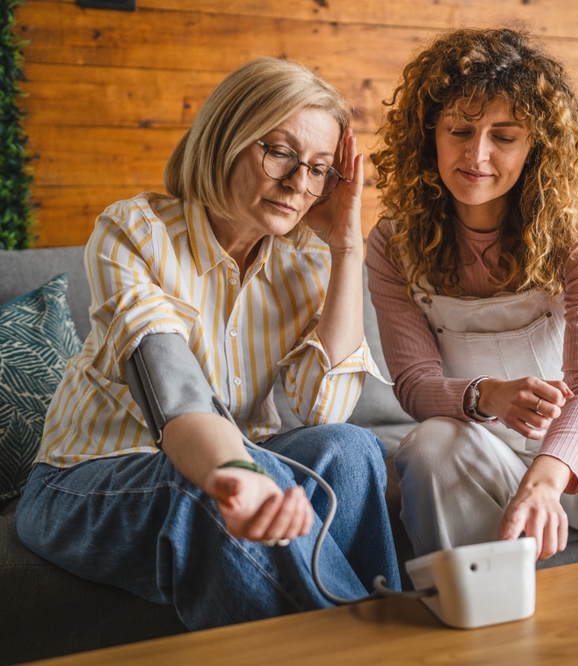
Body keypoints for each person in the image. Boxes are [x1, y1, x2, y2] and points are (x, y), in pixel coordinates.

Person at [15, 57, 400, 630]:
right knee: (201, 488)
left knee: (351, 450)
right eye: (280, 152)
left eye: (320, 169)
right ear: (227, 137)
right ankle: (374, 642)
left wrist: (346, 250)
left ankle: (374, 631)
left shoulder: (304, 264)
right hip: (83, 481)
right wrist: (237, 475)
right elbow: (175, 394)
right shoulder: (134, 231)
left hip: (241, 458)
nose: (299, 183)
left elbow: (323, 410)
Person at [367, 28, 578, 561]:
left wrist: (547, 475)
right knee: (429, 443)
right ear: (429, 134)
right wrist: (487, 395)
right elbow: (414, 383)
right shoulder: (393, 242)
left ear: (534, 146)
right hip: (478, 448)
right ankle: (482, 613)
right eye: (459, 129)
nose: (477, 154)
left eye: (504, 135)